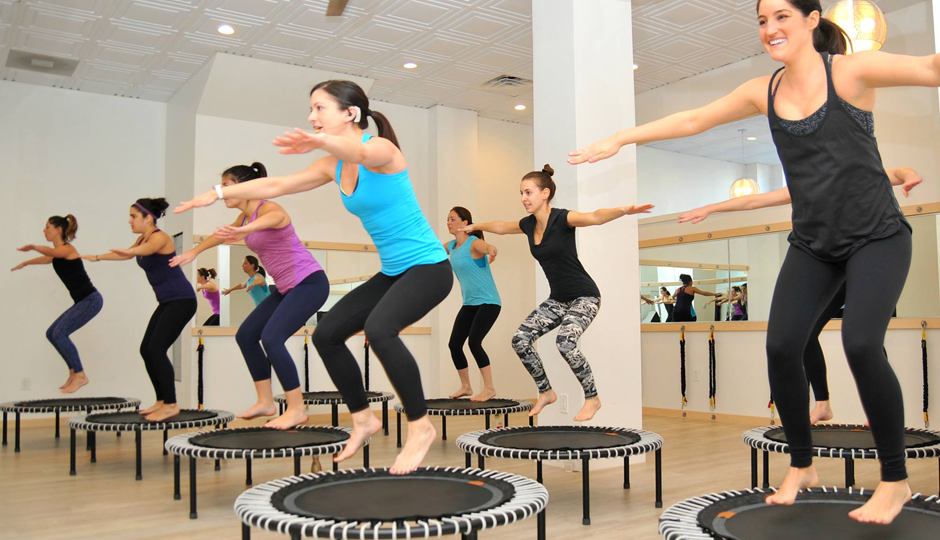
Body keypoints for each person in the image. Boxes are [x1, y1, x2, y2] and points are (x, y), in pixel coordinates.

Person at [568, 0, 936, 522]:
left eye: (782, 16)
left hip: (877, 235)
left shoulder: (850, 73)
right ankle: (802, 464)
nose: (770, 29)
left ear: (812, 19)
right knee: (783, 345)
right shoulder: (762, 92)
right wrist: (621, 138)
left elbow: (928, 68)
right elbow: (693, 118)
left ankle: (894, 480)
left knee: (860, 342)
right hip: (813, 244)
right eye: (762, 20)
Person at [175, 80, 452, 474]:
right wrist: (216, 193)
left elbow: (357, 149)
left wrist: (319, 142)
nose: (311, 116)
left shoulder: (382, 150)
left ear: (350, 113)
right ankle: (364, 419)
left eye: (320, 108)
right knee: (327, 334)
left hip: (429, 268)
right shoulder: (331, 164)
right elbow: (277, 184)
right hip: (392, 272)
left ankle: (420, 425)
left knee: (380, 329)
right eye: (311, 109)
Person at [680, 167, 923, 424]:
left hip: (865, 257)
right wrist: (711, 207)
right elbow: (754, 200)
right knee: (806, 336)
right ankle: (823, 404)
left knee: (864, 342)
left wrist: (910, 177)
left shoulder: (847, 171)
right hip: (831, 264)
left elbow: (894, 172)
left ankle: (875, 410)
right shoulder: (803, 184)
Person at [462, 165, 652, 422]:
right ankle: (546, 392)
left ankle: (592, 398)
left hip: (585, 296)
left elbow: (595, 216)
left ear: (545, 193)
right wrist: (475, 226)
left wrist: (625, 210)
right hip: (558, 299)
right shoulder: (528, 224)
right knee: (520, 339)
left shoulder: (563, 218)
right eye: (521, 193)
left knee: (565, 342)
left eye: (528, 192)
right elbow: (503, 226)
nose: (523, 198)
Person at [170, 162, 329, 429]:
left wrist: (245, 232)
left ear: (245, 187)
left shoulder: (269, 208)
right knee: (246, 335)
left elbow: (276, 219)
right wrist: (194, 252)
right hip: (285, 288)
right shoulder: (243, 218)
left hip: (310, 282)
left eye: (227, 186)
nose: (222, 193)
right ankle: (266, 401)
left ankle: (297, 408)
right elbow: (221, 236)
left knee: (272, 337)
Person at [84, 198, 196, 422]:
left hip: (182, 300)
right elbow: (128, 253)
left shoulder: (160, 238)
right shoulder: (141, 238)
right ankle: (162, 400)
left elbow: (145, 250)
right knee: (146, 349)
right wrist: (96, 257)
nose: (130, 221)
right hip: (167, 302)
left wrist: (128, 251)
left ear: (148, 218)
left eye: (133, 216)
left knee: (156, 349)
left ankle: (171, 404)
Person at [12, 215, 103, 393]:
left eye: (47, 227)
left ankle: (80, 375)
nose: (44, 230)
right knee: (52, 333)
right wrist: (25, 263)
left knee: (60, 333)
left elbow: (51, 254)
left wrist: (33, 247)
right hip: (82, 301)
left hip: (91, 300)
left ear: (58, 230)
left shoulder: (68, 249)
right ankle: (73, 370)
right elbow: (48, 258)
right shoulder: (59, 254)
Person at [444, 206, 502, 402]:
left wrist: (492, 250)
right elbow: (431, 251)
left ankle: (489, 388)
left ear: (465, 223)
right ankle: (466, 386)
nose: (449, 222)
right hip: (469, 303)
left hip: (489, 302)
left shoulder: (473, 243)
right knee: (454, 344)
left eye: (452, 219)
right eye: (448, 219)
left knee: (474, 342)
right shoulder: (451, 246)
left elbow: (486, 247)